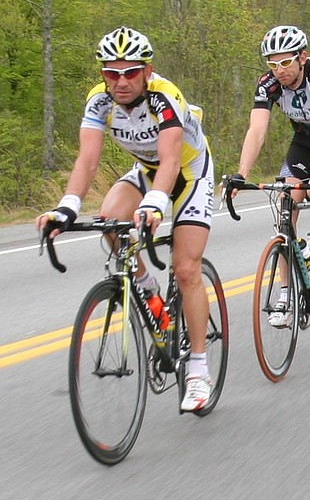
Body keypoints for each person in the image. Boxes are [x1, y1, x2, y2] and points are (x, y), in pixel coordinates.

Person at [36, 26, 216, 411]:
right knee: (110, 220)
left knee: (186, 270)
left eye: (130, 72)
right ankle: (148, 288)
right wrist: (66, 206)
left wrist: (154, 204)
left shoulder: (165, 98)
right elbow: (87, 160)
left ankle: (198, 370)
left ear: (147, 70)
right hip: (146, 170)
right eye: (111, 72)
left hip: (190, 173)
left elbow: (170, 160)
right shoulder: (98, 102)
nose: (120, 81)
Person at [233, 25, 310, 325]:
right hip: (301, 142)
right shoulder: (269, 84)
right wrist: (240, 174)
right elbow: (257, 130)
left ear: (302, 57)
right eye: (272, 63)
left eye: (285, 62)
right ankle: (286, 294)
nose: (279, 70)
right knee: (286, 208)